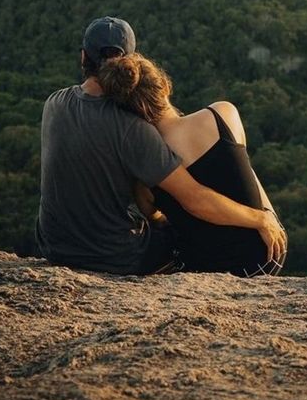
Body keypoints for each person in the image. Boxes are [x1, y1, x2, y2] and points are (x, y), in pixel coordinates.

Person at [36, 15, 286, 275]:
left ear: (83, 58)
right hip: (112, 257)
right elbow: (195, 198)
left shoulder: (54, 102)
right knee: (172, 231)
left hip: (53, 246)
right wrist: (260, 218)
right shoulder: (133, 129)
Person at [99, 51, 287, 277]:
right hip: (267, 255)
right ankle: (269, 221)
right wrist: (263, 218)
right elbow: (247, 177)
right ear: (165, 86)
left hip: (209, 270)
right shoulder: (222, 113)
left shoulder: (145, 176)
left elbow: (156, 217)